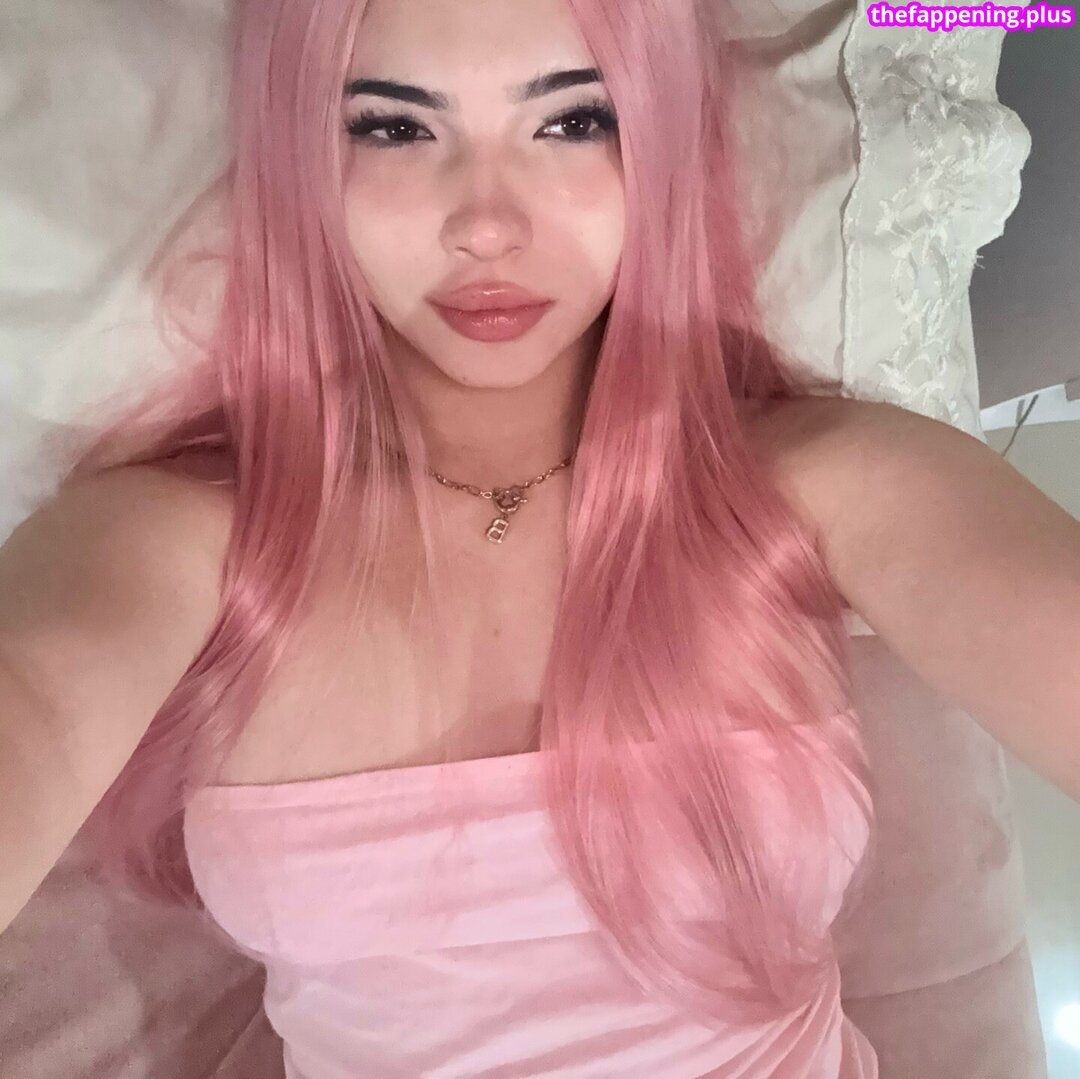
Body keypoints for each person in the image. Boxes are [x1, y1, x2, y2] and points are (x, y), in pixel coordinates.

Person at [4, 0, 1079, 1076]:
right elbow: (36, 697)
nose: (486, 225)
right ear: (305, 159)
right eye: (395, 126)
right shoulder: (178, 537)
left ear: (660, 139)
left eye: (573, 122)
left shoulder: (822, 481)